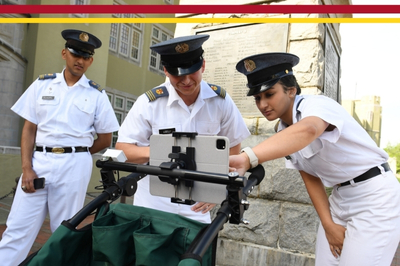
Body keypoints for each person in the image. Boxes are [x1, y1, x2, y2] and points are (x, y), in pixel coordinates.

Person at [230, 52, 400, 266]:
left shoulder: (317, 105)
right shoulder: (285, 129)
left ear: (291, 91)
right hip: (340, 198)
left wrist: (249, 158)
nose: (263, 104)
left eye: (269, 94)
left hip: (375, 197)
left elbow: (309, 129)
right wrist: (328, 224)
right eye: (257, 98)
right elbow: (310, 177)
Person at [0, 29, 120, 266]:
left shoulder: (97, 95)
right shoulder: (42, 85)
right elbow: (29, 129)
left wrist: (77, 153)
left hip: (74, 166)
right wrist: (26, 168)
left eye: (86, 57)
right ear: (64, 53)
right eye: (76, 54)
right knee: (17, 228)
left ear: (91, 61)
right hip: (39, 162)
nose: (80, 61)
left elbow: (106, 139)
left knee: (64, 229)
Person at [115, 34, 250, 224]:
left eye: (192, 71)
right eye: (178, 74)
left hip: (198, 209)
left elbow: (233, 151)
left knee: (196, 253)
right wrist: (162, 151)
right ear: (166, 71)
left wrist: (216, 189)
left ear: (203, 65)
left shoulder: (220, 102)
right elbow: (123, 149)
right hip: (153, 205)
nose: (186, 80)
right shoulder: (149, 103)